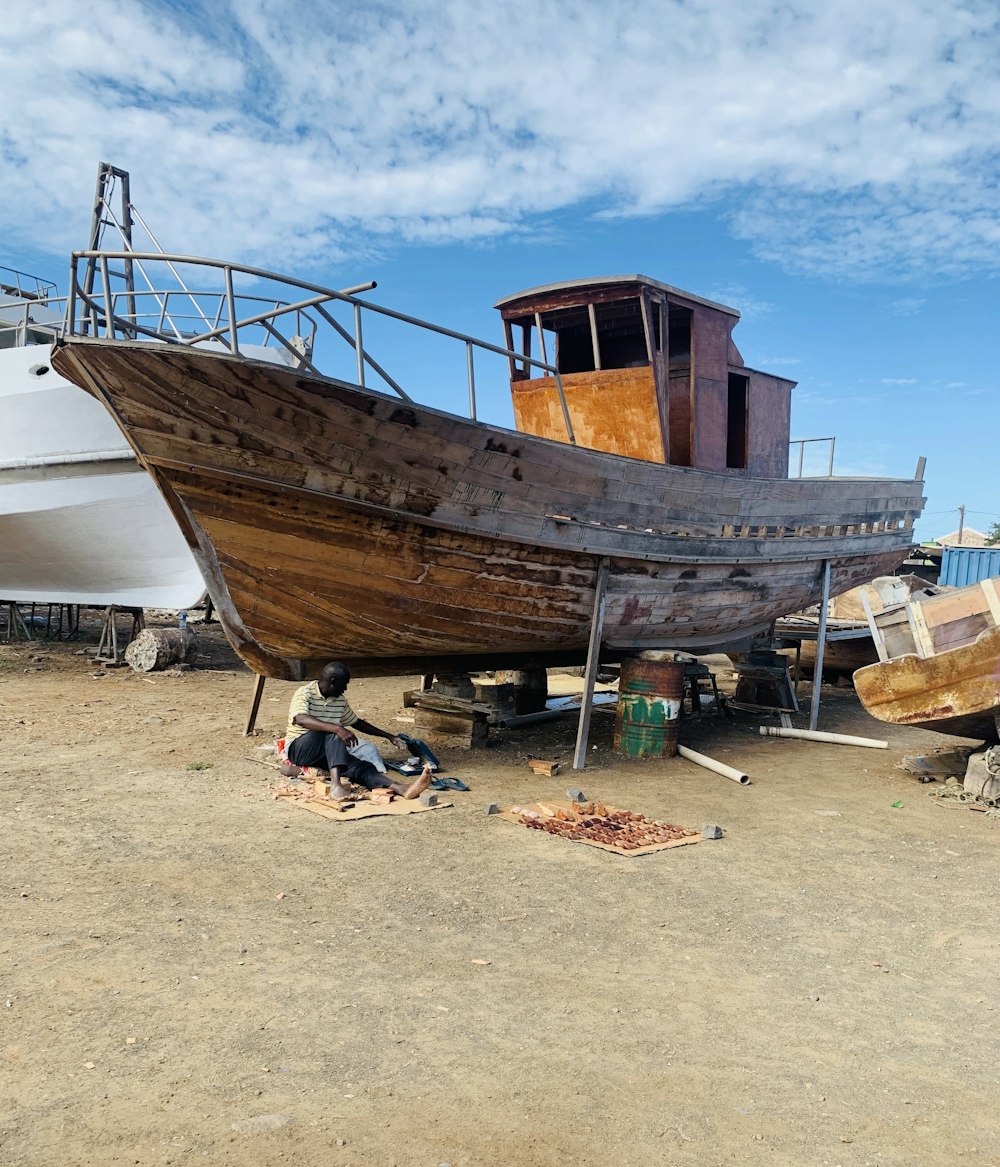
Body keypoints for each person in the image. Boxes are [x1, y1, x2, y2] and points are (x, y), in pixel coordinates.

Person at [284, 661, 431, 802]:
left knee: (361, 767)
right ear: (333, 681)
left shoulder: (340, 701)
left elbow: (357, 723)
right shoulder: (305, 693)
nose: (345, 689)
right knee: (334, 734)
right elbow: (301, 719)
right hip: (298, 749)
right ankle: (336, 786)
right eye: (344, 684)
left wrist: (388, 736)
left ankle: (402, 788)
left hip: (326, 752)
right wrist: (337, 728)